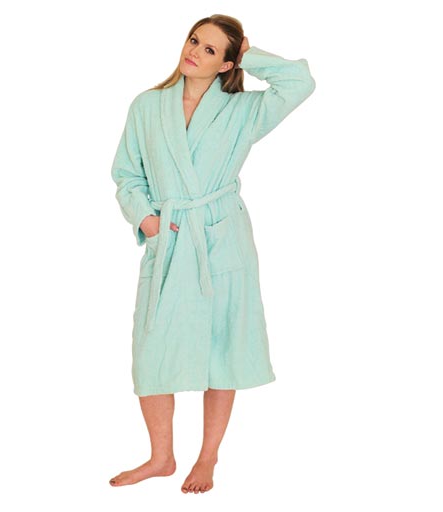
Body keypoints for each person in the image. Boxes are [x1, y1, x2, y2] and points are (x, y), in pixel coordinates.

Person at [109, 14, 316, 494]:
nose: (194, 51)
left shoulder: (244, 110)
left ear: (226, 63)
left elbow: (300, 82)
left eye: (209, 49)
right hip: (170, 235)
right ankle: (161, 457)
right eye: (193, 40)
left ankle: (208, 457)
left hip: (221, 237)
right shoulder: (147, 106)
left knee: (223, 346)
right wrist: (147, 219)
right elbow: (126, 173)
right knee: (152, 350)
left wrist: (249, 54)